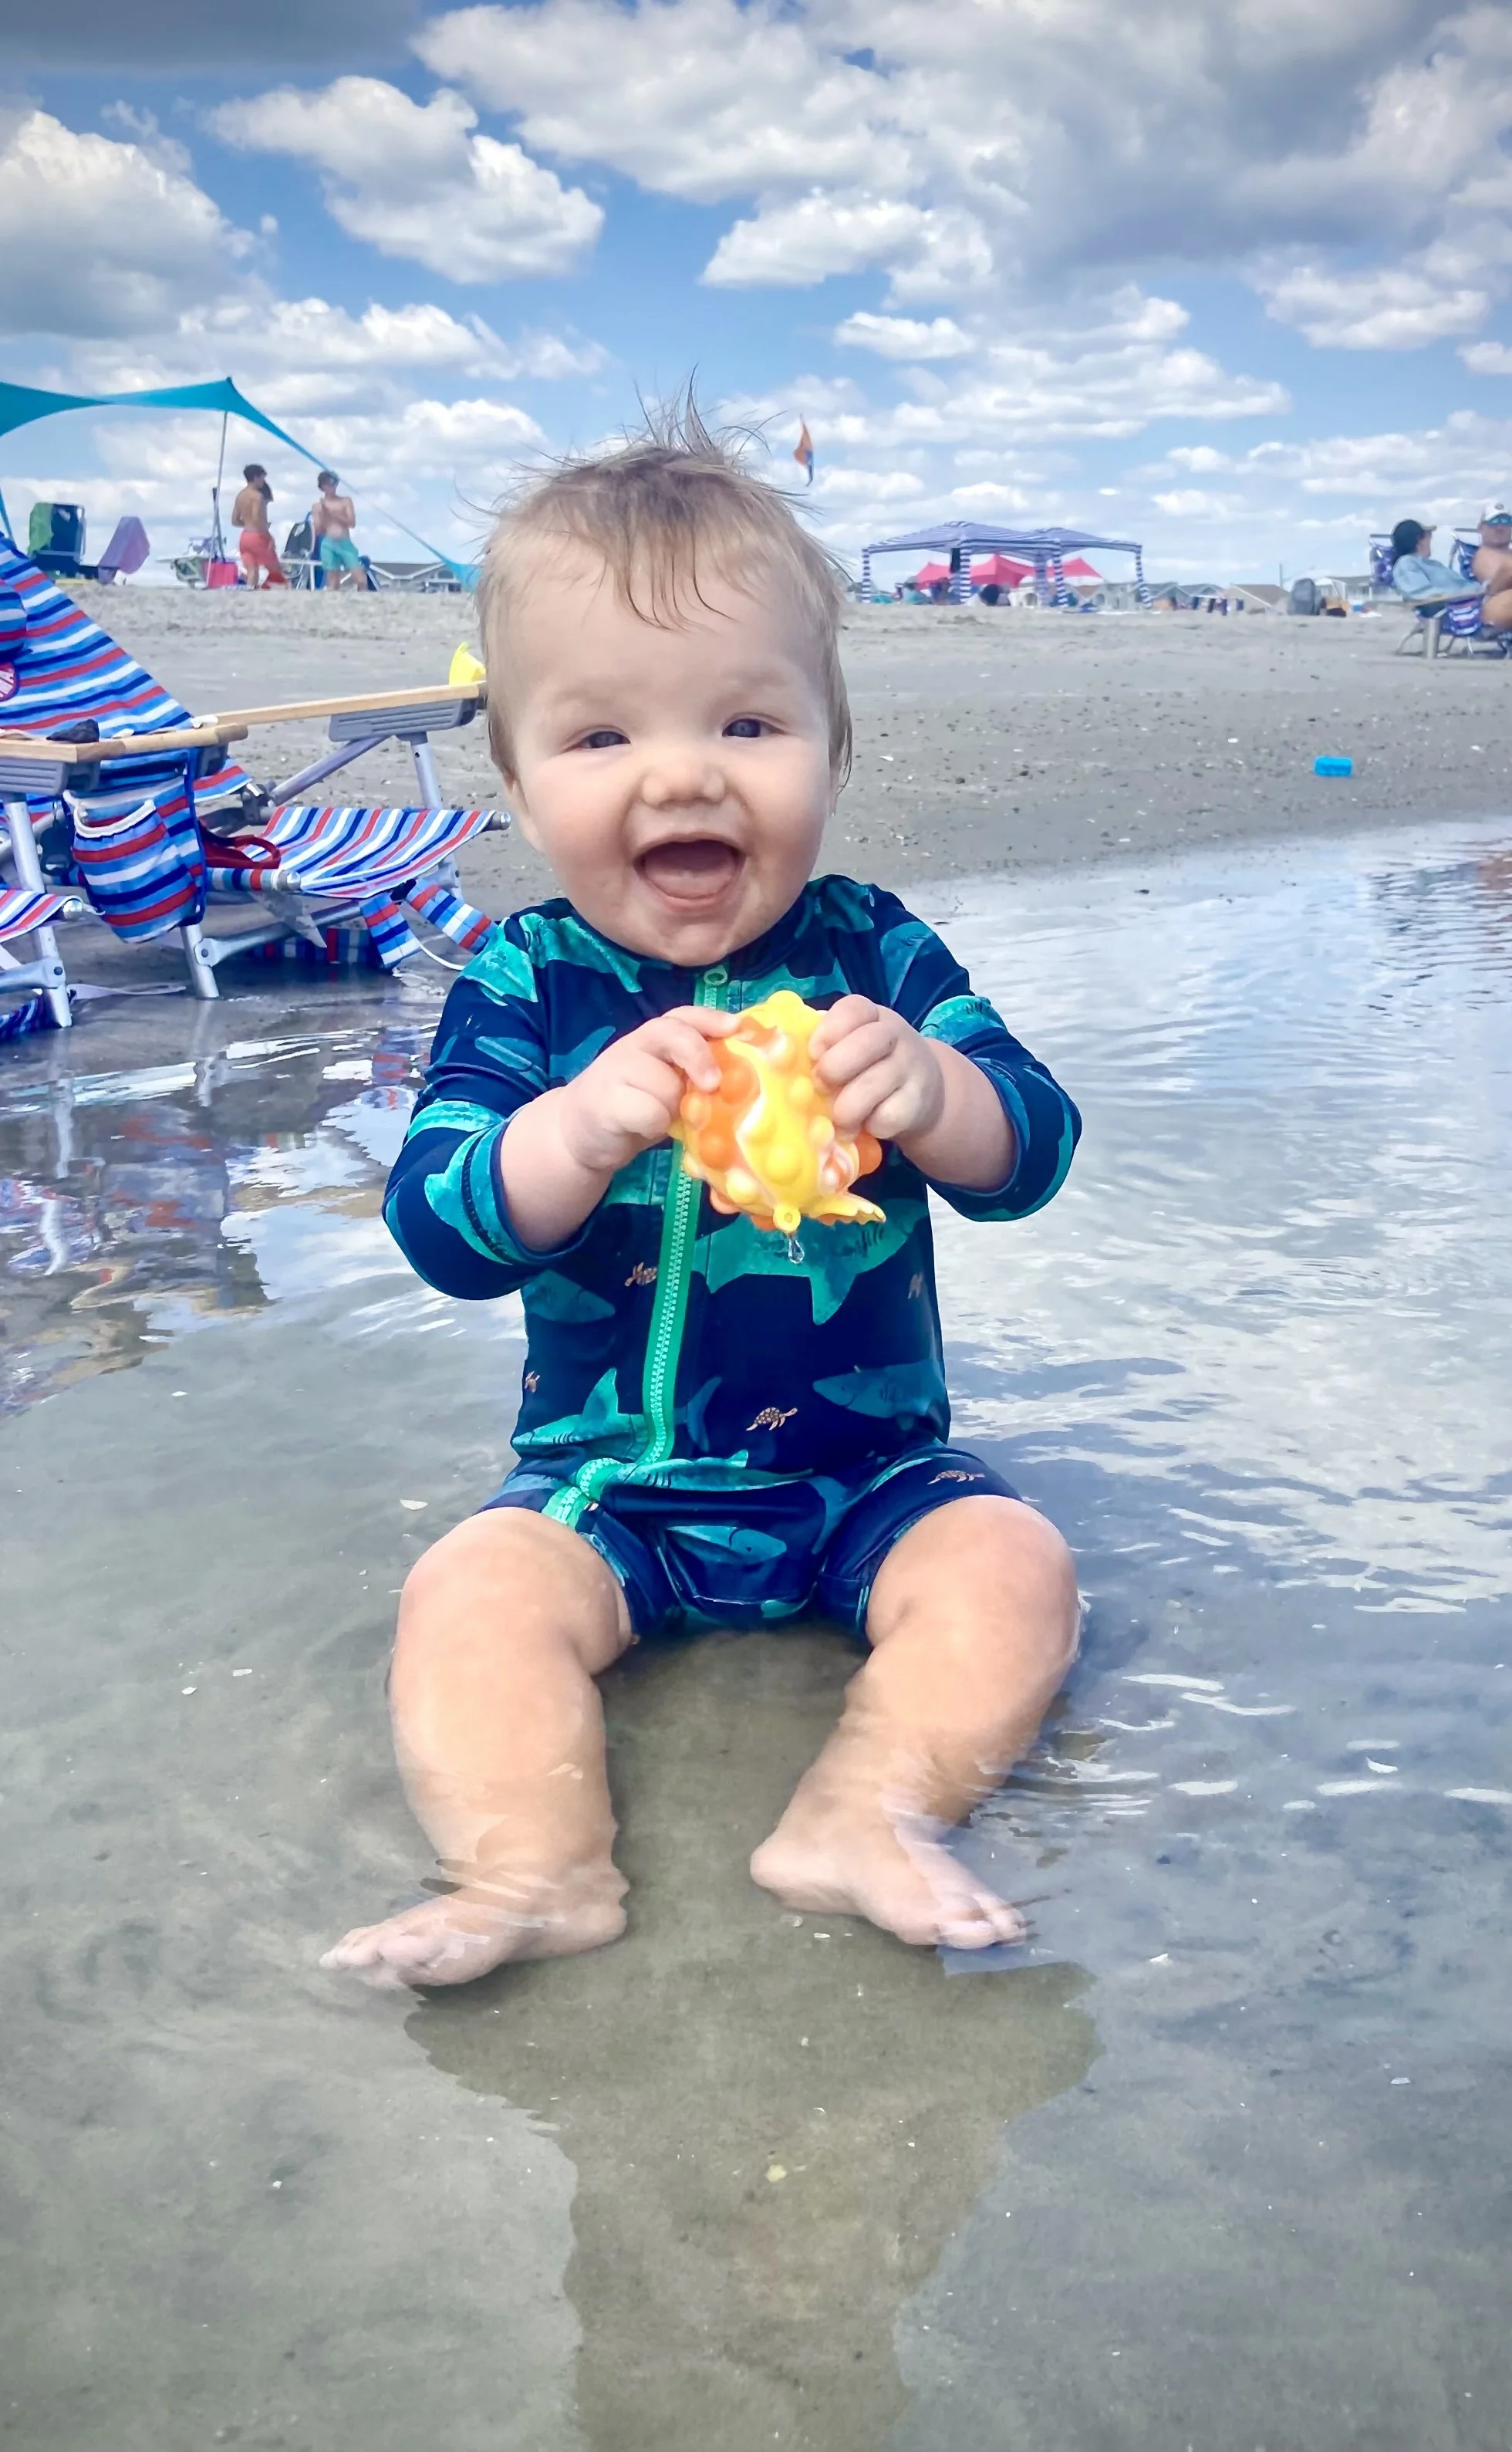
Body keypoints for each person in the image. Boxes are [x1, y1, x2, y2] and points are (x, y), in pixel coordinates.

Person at [322, 404, 1083, 1990]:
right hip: (606, 1493)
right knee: (466, 1592)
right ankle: (528, 1867)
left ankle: (865, 1809)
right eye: (599, 738)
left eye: (746, 724)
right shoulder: (527, 980)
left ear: (830, 745)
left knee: (1014, 1567)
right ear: (523, 789)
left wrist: (936, 1097)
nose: (682, 774)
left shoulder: (878, 956)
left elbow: (1034, 1144)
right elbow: (438, 1221)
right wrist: (576, 1128)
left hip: (869, 1476)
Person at [1387, 518, 1489, 614]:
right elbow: (1422, 594)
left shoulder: (1431, 564)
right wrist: (1471, 593)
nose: (1431, 541)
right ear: (1419, 540)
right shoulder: (1406, 563)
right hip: (1459, 610)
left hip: (1474, 600)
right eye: (1429, 536)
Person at [230, 464, 287, 589]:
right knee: (275, 569)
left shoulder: (240, 495)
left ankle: (251, 593)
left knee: (252, 571)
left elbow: (234, 521)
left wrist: (248, 523)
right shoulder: (257, 497)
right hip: (258, 537)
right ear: (256, 477)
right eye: (262, 478)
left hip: (245, 537)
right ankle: (271, 591)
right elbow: (257, 520)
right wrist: (269, 536)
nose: (263, 482)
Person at [310, 469, 366, 590]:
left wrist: (332, 514)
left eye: (335, 482)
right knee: (333, 583)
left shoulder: (345, 501)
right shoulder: (317, 506)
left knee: (360, 579)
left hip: (344, 542)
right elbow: (319, 529)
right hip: (329, 543)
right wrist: (323, 516)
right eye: (330, 483)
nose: (334, 486)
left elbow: (352, 523)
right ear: (323, 486)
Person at [1470, 502, 1512, 627]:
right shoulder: (1484, 555)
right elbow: (1495, 587)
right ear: (1481, 528)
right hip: (1494, 604)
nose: (1500, 527)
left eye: (1506, 521)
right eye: (1493, 522)